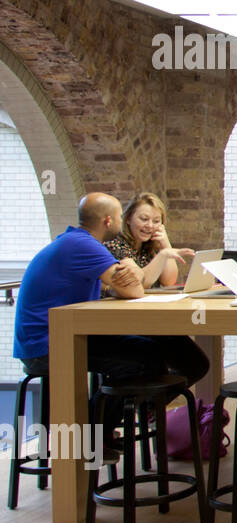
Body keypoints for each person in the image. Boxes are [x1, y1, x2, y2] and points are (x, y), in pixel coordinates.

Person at [13, 193, 209, 462]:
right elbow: (133, 290)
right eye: (119, 216)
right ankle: (86, 439)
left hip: (62, 336)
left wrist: (125, 280)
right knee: (144, 358)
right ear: (109, 221)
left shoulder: (77, 242)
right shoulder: (85, 245)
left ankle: (106, 428)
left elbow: (123, 288)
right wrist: (127, 276)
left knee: (151, 351)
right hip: (48, 345)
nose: (120, 221)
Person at [104, 192, 194, 289]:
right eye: (144, 219)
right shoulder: (115, 244)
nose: (150, 226)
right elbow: (137, 284)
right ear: (128, 219)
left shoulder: (152, 244)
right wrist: (163, 254)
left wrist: (166, 245)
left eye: (156, 221)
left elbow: (169, 282)